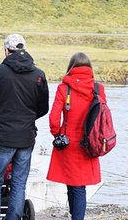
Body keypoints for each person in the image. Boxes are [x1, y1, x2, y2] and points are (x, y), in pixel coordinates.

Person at [0, 33, 49, 220]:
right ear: (24, 49)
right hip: (26, 136)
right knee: (19, 183)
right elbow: (43, 107)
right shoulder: (38, 75)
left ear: (6, 51)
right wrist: (28, 118)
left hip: (3, 134)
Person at [46, 52, 105, 220]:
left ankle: (76, 217)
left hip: (69, 142)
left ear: (71, 67)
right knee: (78, 184)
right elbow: (103, 116)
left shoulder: (64, 88)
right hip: (90, 142)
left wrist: (58, 134)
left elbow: (53, 118)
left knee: (74, 185)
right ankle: (75, 216)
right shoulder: (98, 89)